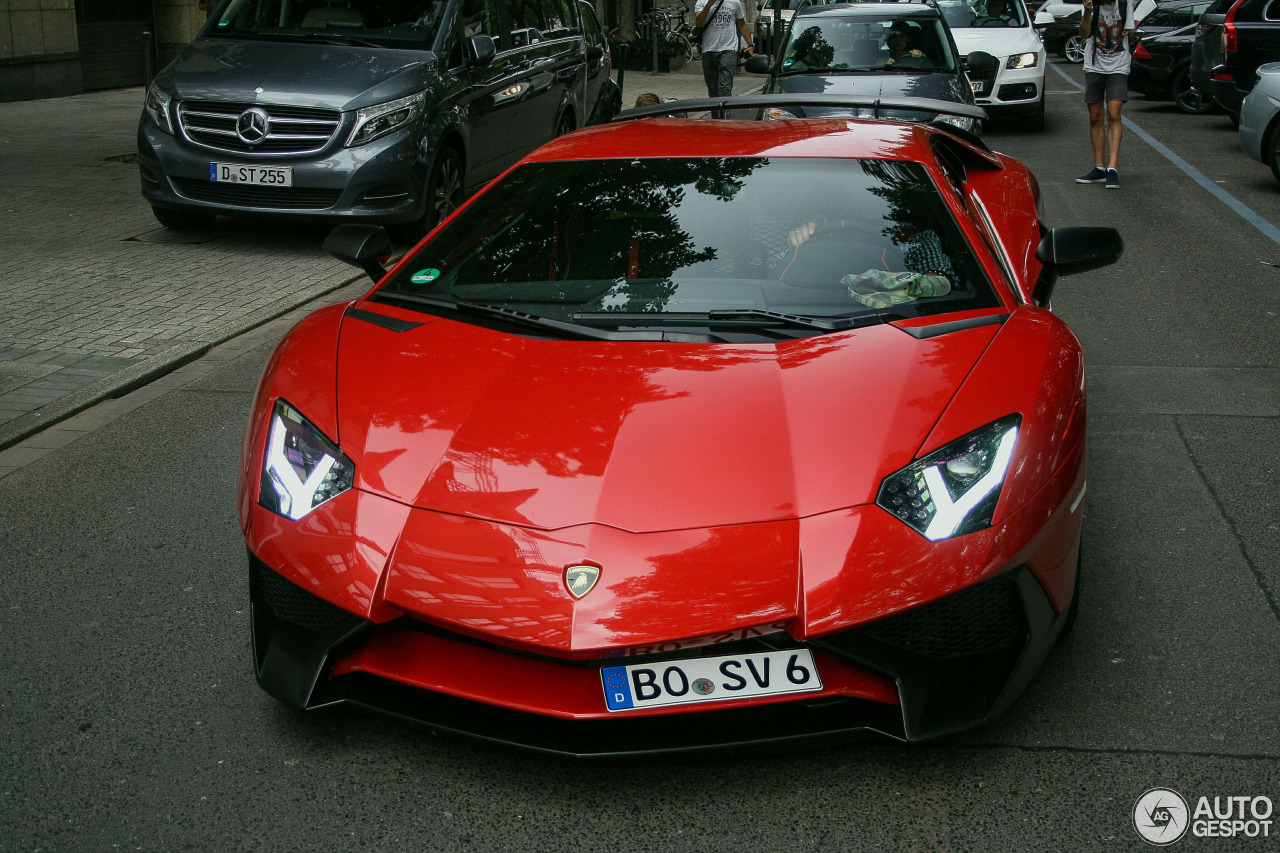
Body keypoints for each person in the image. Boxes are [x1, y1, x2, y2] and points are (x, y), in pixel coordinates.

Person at [1075, 0, 1135, 189]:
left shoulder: (1125, 4)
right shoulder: (1092, 5)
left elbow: (1128, 32)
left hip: (1118, 65)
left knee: (1114, 113)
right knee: (1095, 116)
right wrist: (1087, 11)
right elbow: (1084, 33)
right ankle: (1099, 167)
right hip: (1094, 65)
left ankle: (1112, 169)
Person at [695, 0, 754, 113]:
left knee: (724, 89)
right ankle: (716, 122)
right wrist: (708, 6)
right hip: (708, 50)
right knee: (713, 92)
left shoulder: (734, 2)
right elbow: (698, 23)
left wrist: (750, 44)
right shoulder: (701, 2)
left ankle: (726, 122)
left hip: (729, 50)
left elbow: (741, 23)